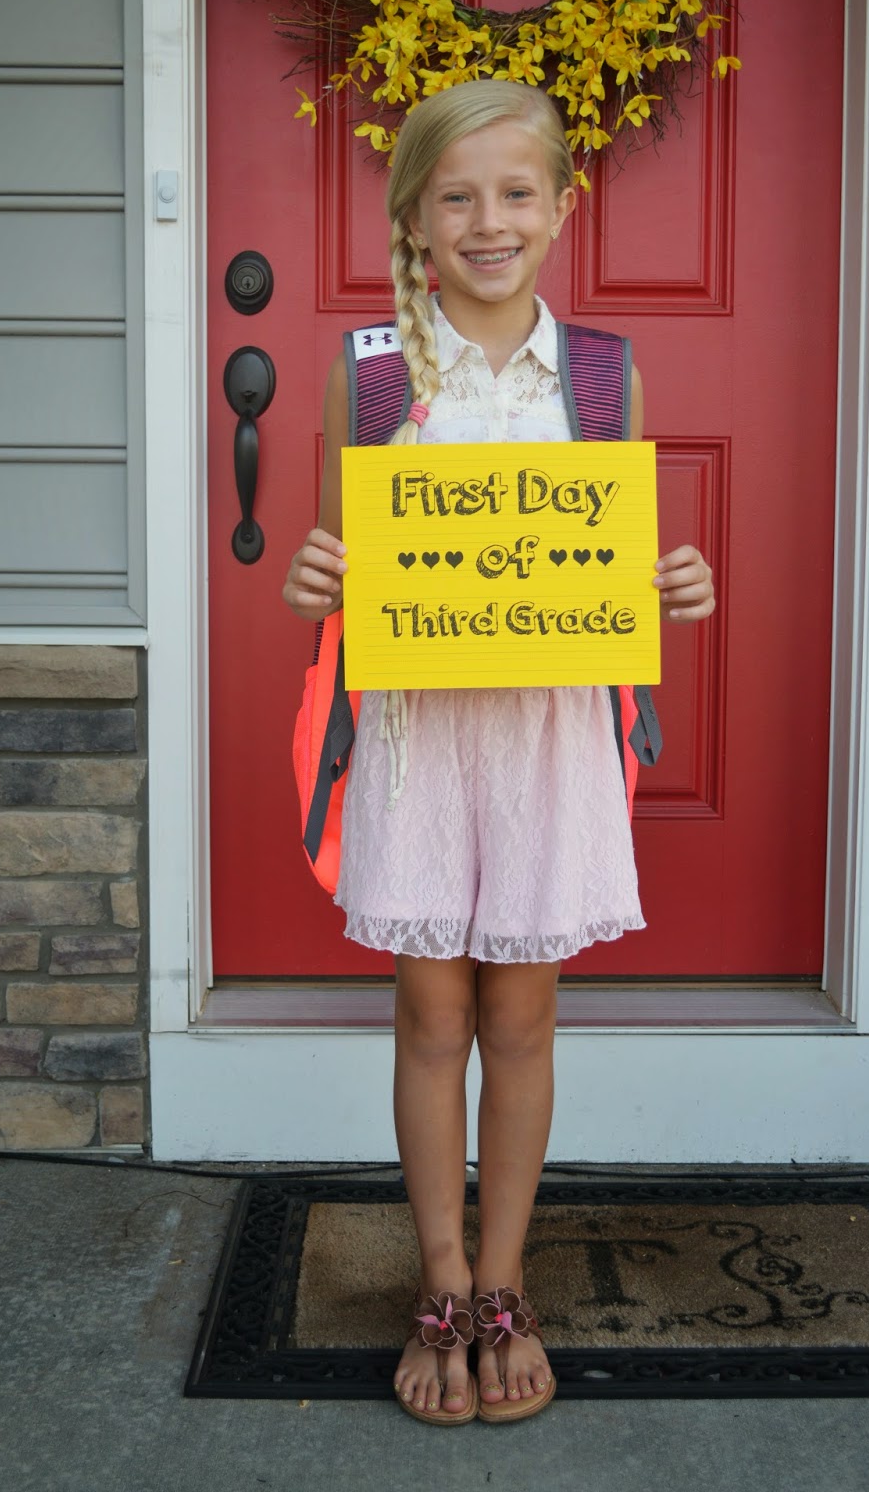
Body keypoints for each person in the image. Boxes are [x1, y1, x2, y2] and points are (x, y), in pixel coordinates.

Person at [283, 81, 715, 1425]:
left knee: (522, 1020)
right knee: (432, 1018)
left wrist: (669, 586)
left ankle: (506, 1285)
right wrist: (312, 581)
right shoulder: (371, 375)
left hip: (543, 740)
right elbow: (344, 576)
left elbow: (603, 563)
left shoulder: (599, 374)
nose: (489, 221)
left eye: (516, 193)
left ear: (560, 209)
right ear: (414, 217)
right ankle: (440, 1280)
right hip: (420, 742)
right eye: (458, 196)